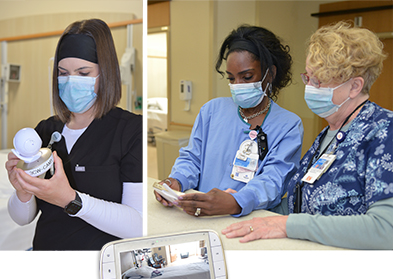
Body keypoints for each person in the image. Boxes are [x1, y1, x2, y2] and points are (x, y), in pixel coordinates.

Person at [222, 21, 393, 250]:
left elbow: (385, 229)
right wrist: (246, 204)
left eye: (319, 81)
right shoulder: (328, 135)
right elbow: (300, 205)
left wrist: (287, 226)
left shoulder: (383, 131)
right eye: (308, 78)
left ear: (354, 86)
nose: (310, 88)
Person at [5, 19, 143, 250]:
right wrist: (22, 192)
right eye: (63, 73)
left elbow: (138, 226)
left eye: (83, 72)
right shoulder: (46, 131)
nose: (71, 82)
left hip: (99, 265)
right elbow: (22, 218)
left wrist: (70, 199)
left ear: (105, 73)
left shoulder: (129, 131)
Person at [154, 25, 303, 217]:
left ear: (270, 74)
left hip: (248, 222)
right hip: (200, 217)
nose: (237, 86)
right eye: (231, 79)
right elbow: (192, 159)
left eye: (247, 77)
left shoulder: (288, 125)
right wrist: (177, 180)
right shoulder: (212, 111)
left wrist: (236, 202)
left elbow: (273, 181)